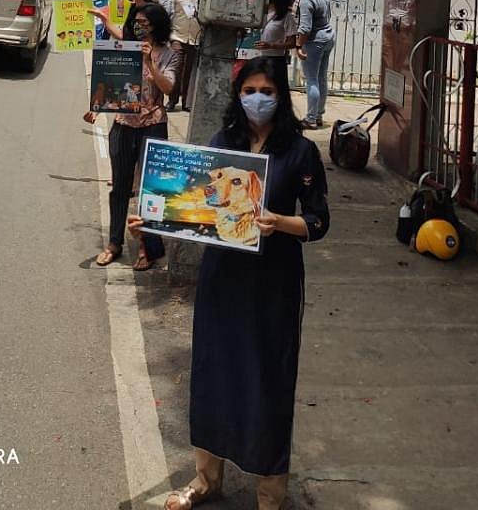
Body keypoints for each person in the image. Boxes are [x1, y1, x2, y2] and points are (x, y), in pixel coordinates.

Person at [129, 55, 329, 509]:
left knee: (268, 383)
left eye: (267, 91)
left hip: (272, 285)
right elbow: (193, 209)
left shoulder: (301, 152)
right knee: (213, 375)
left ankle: (269, 496)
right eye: (249, 90)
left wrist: (282, 221)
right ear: (238, 96)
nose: (257, 98)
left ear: (281, 96)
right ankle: (205, 480)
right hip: (222, 281)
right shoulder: (224, 144)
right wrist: (153, 222)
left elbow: (319, 221)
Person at [87, 2, 178, 271]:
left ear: (157, 26)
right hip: (123, 124)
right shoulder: (124, 49)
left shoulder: (169, 53)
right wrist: (96, 106)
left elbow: (169, 87)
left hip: (153, 124)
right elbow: (110, 82)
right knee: (120, 189)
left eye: (146, 24)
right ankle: (114, 243)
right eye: (136, 23)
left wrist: (150, 62)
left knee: (152, 190)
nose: (140, 29)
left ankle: (147, 247)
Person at [294, 0, 336, 129]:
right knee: (321, 78)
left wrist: (298, 46)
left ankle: (311, 119)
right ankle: (318, 115)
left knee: (311, 79)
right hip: (328, 37)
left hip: (315, 41)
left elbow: (305, 28)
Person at [169, 0, 202, 113]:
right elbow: (169, 13)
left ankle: (186, 102)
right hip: (178, 36)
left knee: (189, 71)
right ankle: (172, 100)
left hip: (195, 39)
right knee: (176, 69)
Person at [259, 0, 298, 83]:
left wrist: (271, 45)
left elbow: (292, 42)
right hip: (260, 60)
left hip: (275, 62)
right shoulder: (261, 13)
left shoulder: (287, 16)